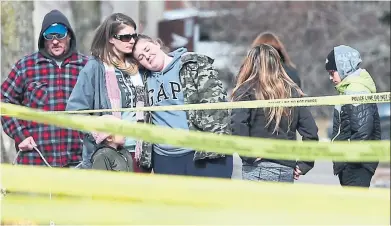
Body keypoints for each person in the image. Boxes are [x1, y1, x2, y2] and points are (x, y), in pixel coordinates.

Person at [131, 34, 233, 178]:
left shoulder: (192, 64)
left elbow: (216, 108)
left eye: (147, 49)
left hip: (202, 153)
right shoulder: (143, 80)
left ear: (156, 43)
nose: (147, 56)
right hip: (166, 159)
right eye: (141, 57)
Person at [1, 10, 88, 167]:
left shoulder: (87, 67)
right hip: (35, 160)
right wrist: (20, 134)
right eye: (49, 36)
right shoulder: (26, 66)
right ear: (43, 39)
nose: (55, 41)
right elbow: (4, 99)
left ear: (69, 36)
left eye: (60, 35)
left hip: (80, 162)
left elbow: (104, 106)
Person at [66, 13, 146, 172]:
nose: (131, 40)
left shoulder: (138, 64)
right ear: (110, 38)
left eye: (134, 36)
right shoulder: (95, 68)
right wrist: (104, 131)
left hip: (142, 152)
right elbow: (74, 112)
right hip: (109, 156)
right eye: (125, 37)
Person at [230, 44, 319, 182]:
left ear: (250, 64)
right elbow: (311, 131)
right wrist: (305, 163)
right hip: (285, 169)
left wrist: (248, 154)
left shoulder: (245, 91)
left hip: (257, 168)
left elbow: (237, 124)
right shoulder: (292, 92)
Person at [325, 45, 380, 188]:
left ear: (344, 67)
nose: (330, 77)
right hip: (352, 164)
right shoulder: (348, 89)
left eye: (332, 72)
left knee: (356, 208)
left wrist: (349, 160)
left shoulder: (356, 90)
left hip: (356, 165)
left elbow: (363, 130)